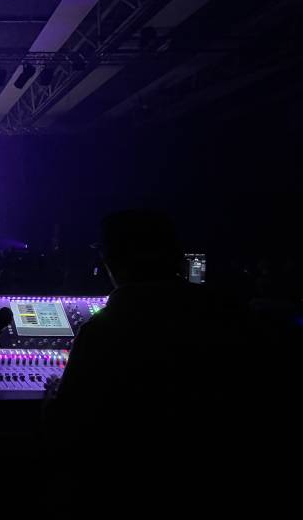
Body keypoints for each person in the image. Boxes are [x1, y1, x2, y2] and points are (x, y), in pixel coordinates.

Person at [42, 210, 237, 514]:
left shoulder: (103, 330)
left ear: (110, 261)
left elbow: (69, 427)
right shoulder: (226, 317)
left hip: (121, 490)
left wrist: (53, 396)